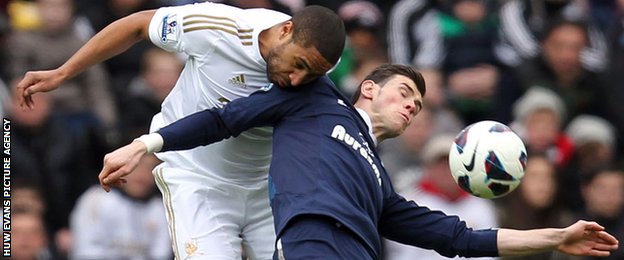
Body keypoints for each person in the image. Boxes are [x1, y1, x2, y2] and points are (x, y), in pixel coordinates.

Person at [99, 64, 618, 259]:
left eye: (419, 103)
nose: (413, 104)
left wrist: (555, 238)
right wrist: (144, 145)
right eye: (403, 92)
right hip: (311, 241)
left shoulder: (379, 184)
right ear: (368, 88)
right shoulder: (316, 101)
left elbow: (461, 239)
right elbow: (223, 119)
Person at [15, 2, 346, 259]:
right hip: (199, 181)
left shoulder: (317, 74)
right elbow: (137, 25)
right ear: (286, 30)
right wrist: (63, 72)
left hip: (269, 190)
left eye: (313, 74)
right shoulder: (218, 28)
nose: (299, 81)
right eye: (299, 64)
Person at [70, 154, 171, 259]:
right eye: (137, 166)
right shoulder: (96, 200)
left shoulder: (161, 209)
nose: (142, 174)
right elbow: (86, 250)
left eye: (150, 168)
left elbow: (161, 254)